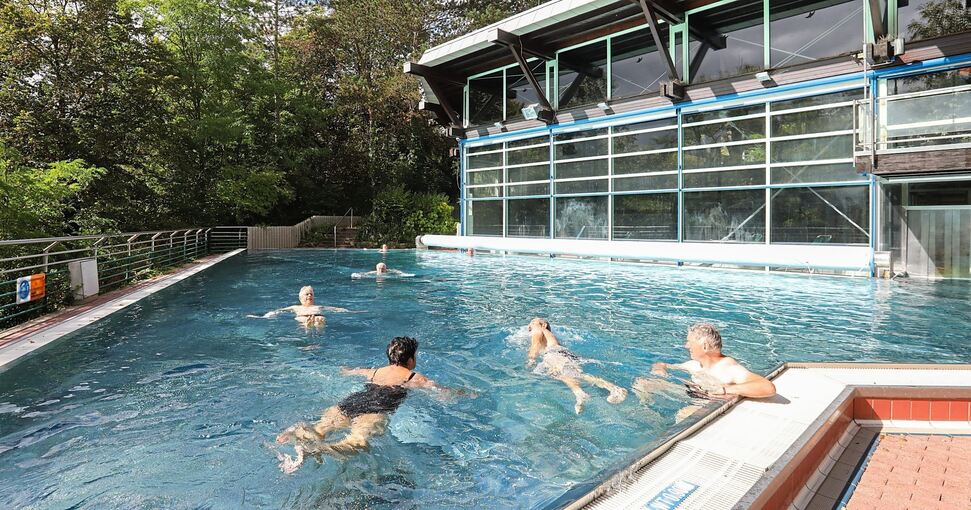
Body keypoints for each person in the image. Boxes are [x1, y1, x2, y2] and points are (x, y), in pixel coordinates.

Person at [275, 336, 466, 473]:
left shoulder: (375, 371)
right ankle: (314, 450)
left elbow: (350, 371)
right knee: (357, 443)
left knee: (320, 428)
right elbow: (441, 393)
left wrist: (345, 369)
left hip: (352, 402)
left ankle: (298, 432)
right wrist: (463, 393)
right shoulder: (413, 376)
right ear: (410, 359)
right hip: (376, 408)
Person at [633, 323, 775, 420]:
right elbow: (662, 364)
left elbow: (767, 387)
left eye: (689, 342)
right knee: (643, 383)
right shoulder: (694, 364)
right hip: (694, 393)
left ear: (705, 346)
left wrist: (725, 389)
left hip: (710, 402)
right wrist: (660, 369)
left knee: (684, 414)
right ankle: (647, 412)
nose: (686, 345)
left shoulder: (727, 367)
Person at [527, 318, 628, 414]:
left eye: (533, 322)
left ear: (543, 325)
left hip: (554, 355)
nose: (530, 324)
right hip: (560, 354)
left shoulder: (540, 330)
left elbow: (535, 346)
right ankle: (580, 394)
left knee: (569, 374)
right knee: (566, 375)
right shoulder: (549, 336)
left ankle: (612, 389)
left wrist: (531, 359)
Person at [259, 286, 348, 327]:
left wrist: (347, 311)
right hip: (303, 318)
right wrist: (265, 316)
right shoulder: (295, 307)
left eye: (311, 294)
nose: (309, 296)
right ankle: (307, 326)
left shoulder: (319, 307)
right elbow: (279, 311)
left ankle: (319, 327)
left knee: (321, 320)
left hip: (318, 317)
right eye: (307, 294)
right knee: (302, 320)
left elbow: (335, 309)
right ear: (301, 298)